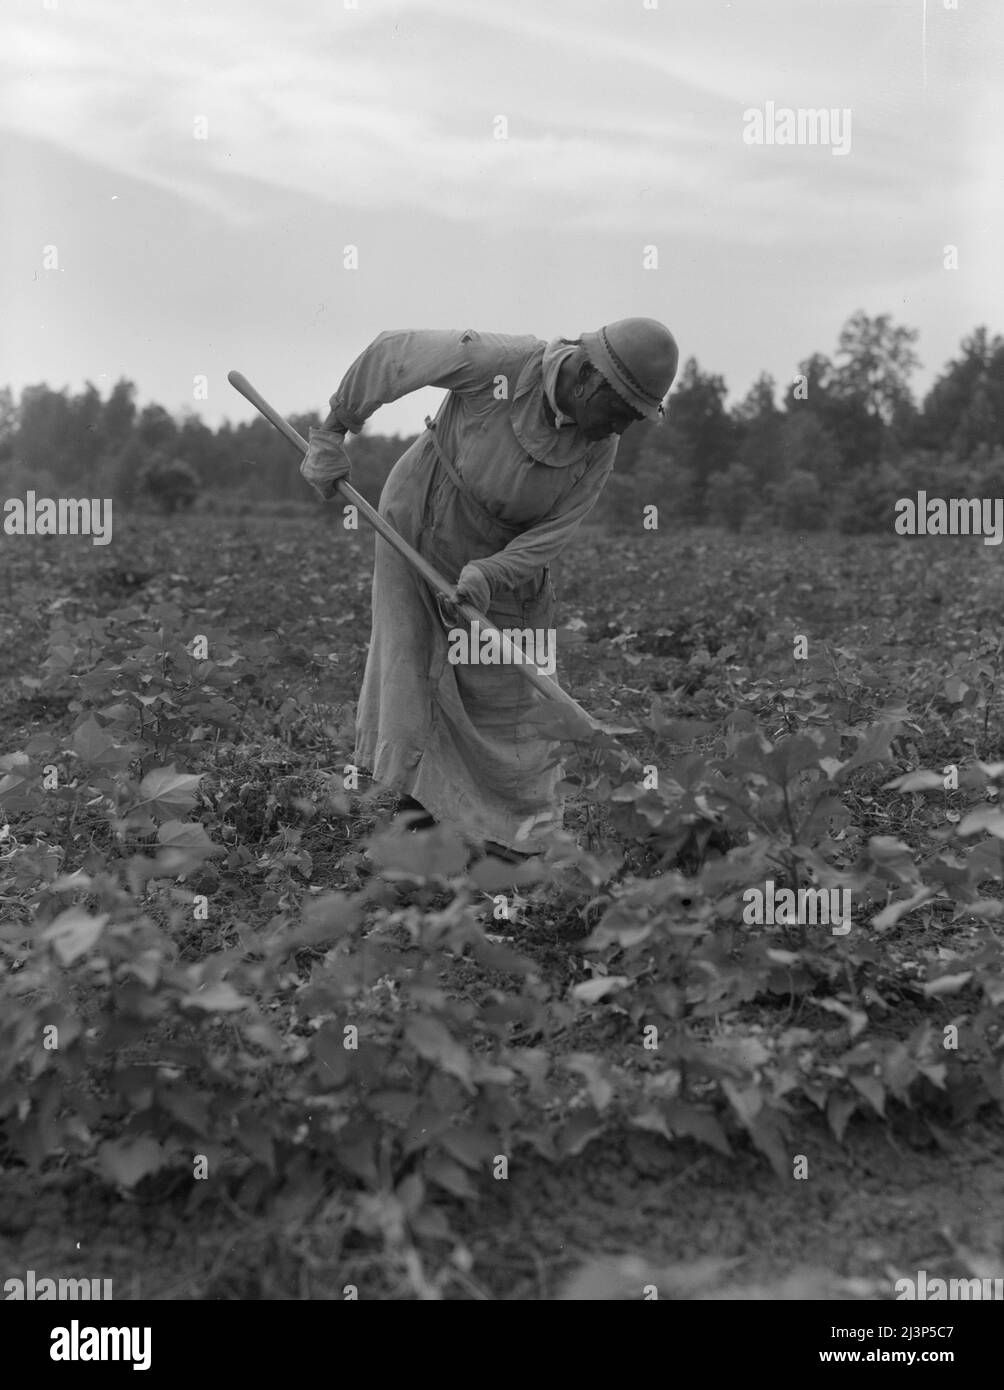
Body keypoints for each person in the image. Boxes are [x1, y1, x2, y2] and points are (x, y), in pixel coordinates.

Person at [300, 319, 679, 859]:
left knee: (511, 685)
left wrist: (487, 575)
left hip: (504, 554)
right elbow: (393, 353)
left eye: (633, 420)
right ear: (590, 380)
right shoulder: (498, 364)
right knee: (416, 666)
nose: (619, 428)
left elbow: (553, 532)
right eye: (619, 412)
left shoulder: (600, 445)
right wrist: (332, 433)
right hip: (420, 518)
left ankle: (518, 834)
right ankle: (422, 824)